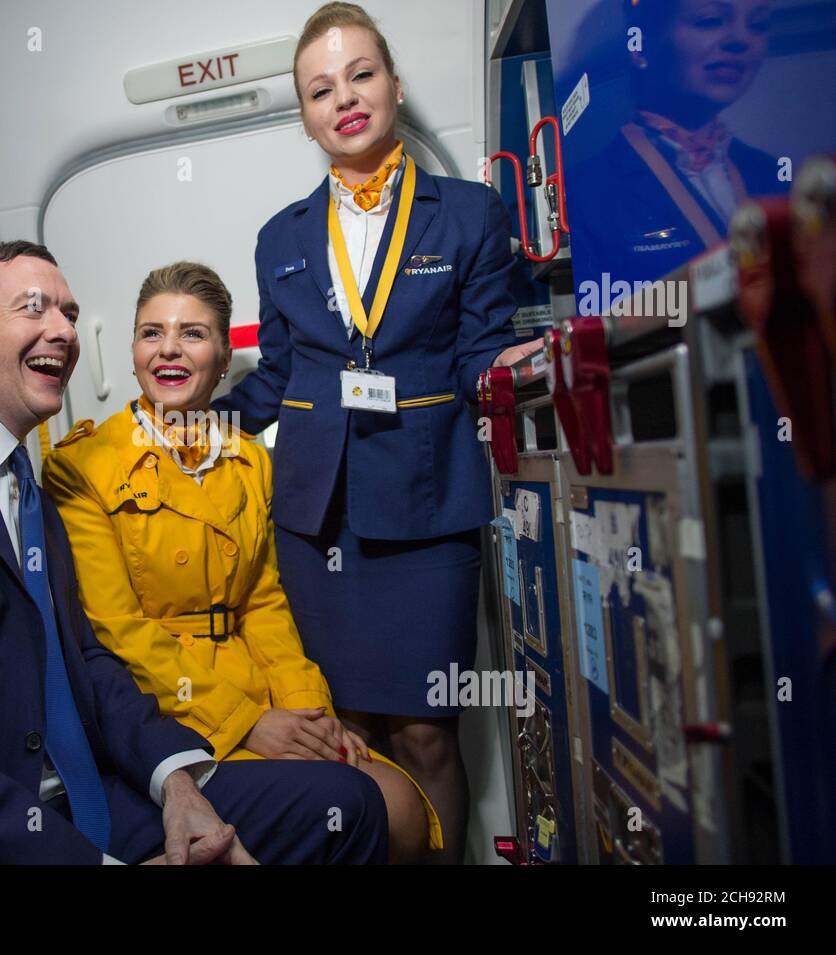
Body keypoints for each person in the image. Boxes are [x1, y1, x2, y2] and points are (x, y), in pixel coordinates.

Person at [0, 241, 389, 865]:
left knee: (346, 805)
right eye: (35, 309)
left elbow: (85, 661)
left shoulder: (28, 491)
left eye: (69, 313)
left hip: (77, 795)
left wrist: (175, 781)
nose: (63, 331)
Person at [210, 2, 538, 863]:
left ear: (395, 83)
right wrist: (200, 426)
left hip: (428, 506)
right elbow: (278, 375)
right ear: (305, 115)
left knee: (427, 731)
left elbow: (481, 346)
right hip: (316, 516)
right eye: (321, 89)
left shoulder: (467, 214)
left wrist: (513, 370)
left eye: (361, 75)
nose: (344, 99)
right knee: (344, 729)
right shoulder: (279, 236)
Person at [43, 262, 442, 864]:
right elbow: (117, 630)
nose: (169, 350)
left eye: (193, 334)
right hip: (164, 708)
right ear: (131, 351)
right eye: (152, 333)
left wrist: (308, 710)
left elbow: (262, 603)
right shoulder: (83, 465)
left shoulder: (250, 459)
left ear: (225, 357)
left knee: (405, 811)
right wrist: (249, 725)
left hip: (255, 681)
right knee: (364, 808)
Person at [570, 0, 784, 284]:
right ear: (641, 46)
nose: (741, 39)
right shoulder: (587, 192)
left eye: (757, 25)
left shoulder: (771, 176)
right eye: (710, 20)